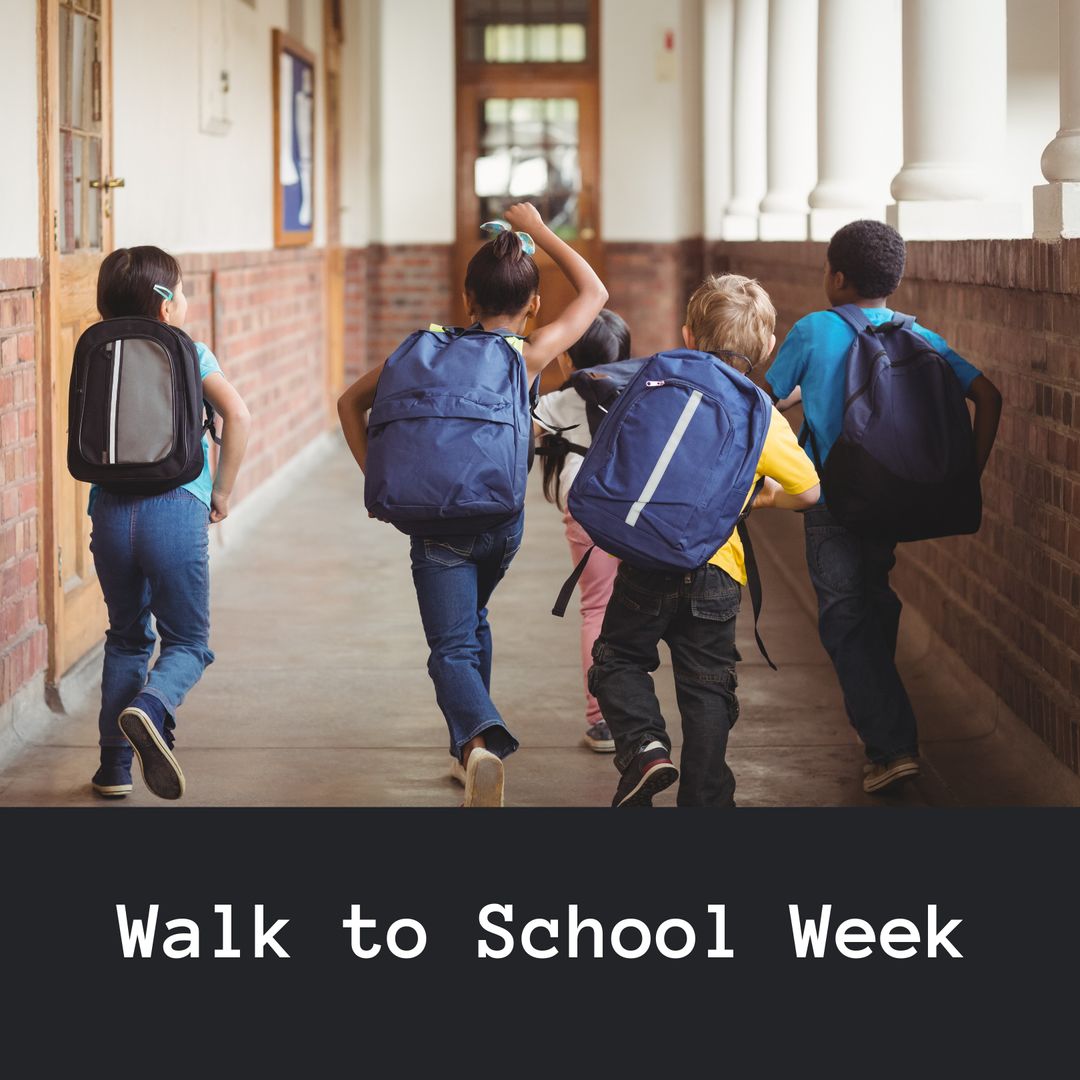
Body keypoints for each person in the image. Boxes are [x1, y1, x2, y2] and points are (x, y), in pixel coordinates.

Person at [337, 202, 607, 806]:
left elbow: (348, 404)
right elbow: (594, 290)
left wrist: (379, 474)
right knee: (472, 621)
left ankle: (479, 738)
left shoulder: (420, 352)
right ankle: (469, 751)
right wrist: (539, 231)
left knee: (451, 645)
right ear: (534, 305)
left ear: (466, 299)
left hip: (434, 526)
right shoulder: (526, 356)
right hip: (499, 521)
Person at [766, 219, 1002, 794]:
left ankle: (890, 745)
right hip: (894, 496)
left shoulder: (815, 329)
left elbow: (762, 401)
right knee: (872, 600)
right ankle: (879, 712)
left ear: (838, 276)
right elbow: (988, 396)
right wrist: (964, 476)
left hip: (833, 500)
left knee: (844, 617)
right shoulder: (919, 335)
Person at [588, 274, 821, 807]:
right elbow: (808, 492)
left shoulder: (658, 384)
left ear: (689, 335)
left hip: (647, 559)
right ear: (765, 348)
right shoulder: (761, 413)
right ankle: (705, 798)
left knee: (619, 658)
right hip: (718, 572)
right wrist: (757, 501)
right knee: (708, 688)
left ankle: (646, 747)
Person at [89, 246, 252, 800]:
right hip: (176, 510)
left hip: (110, 511)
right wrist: (223, 491)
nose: (184, 301)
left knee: (127, 638)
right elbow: (239, 415)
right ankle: (152, 708)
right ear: (165, 307)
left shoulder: (96, 353)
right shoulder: (191, 350)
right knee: (188, 641)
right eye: (179, 291)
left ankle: (113, 769)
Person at [533, 310, 631, 753]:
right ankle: (637, 711)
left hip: (585, 509)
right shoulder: (639, 399)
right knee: (639, 609)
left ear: (568, 360)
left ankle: (603, 720)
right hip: (635, 509)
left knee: (597, 608)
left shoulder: (552, 404)